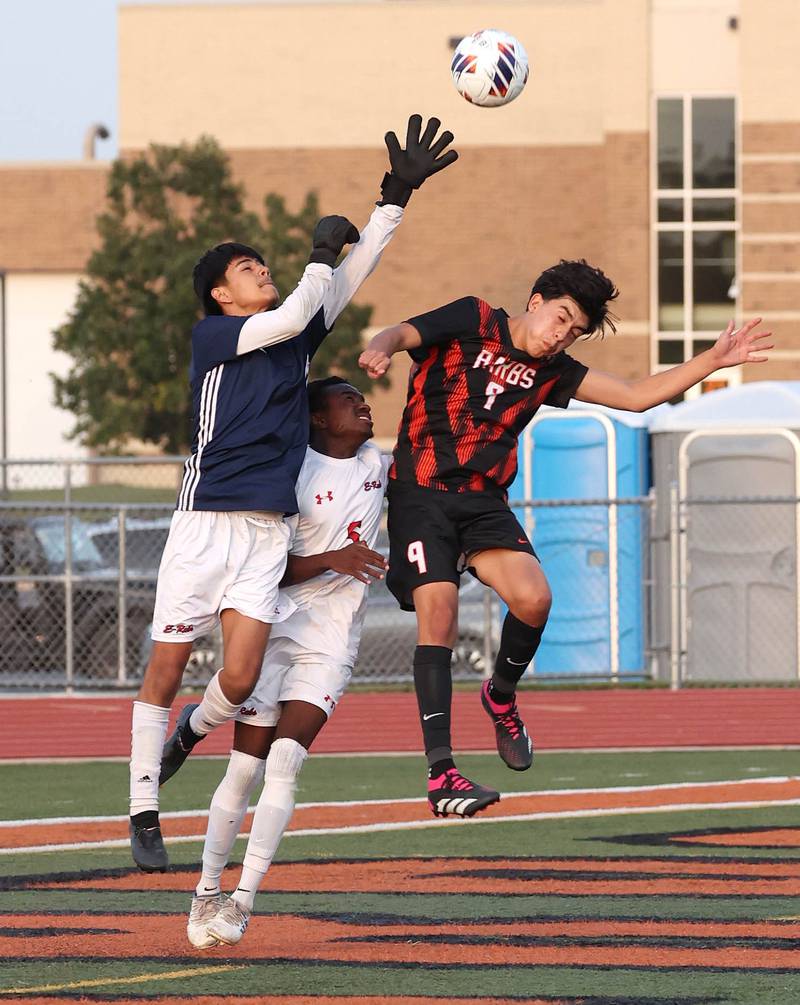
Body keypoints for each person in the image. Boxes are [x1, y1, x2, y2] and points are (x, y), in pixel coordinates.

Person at [129, 115, 458, 873]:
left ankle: (189, 733)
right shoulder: (215, 336)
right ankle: (144, 805)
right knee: (167, 665)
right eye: (245, 267)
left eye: (260, 262)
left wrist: (394, 198)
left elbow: (351, 275)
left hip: (267, 532)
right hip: (206, 521)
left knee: (240, 679)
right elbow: (290, 311)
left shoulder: (294, 329)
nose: (258, 269)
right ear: (219, 293)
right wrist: (315, 253)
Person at [358, 261, 773, 817]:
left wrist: (711, 361)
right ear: (535, 301)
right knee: (441, 613)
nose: (562, 335)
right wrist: (382, 347)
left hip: (483, 503)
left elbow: (634, 396)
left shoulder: (553, 371)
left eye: (574, 330)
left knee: (535, 599)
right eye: (561, 318)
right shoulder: (474, 317)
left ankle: (500, 696)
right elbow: (403, 333)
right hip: (420, 494)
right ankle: (442, 774)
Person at [174, 378, 389, 949]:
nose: (363, 405)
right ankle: (203, 891)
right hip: (275, 622)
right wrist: (330, 559)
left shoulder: (377, 462)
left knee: (286, 760)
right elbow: (263, 570)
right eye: (349, 400)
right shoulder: (289, 474)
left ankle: (241, 901)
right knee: (243, 769)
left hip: (332, 635)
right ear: (319, 419)